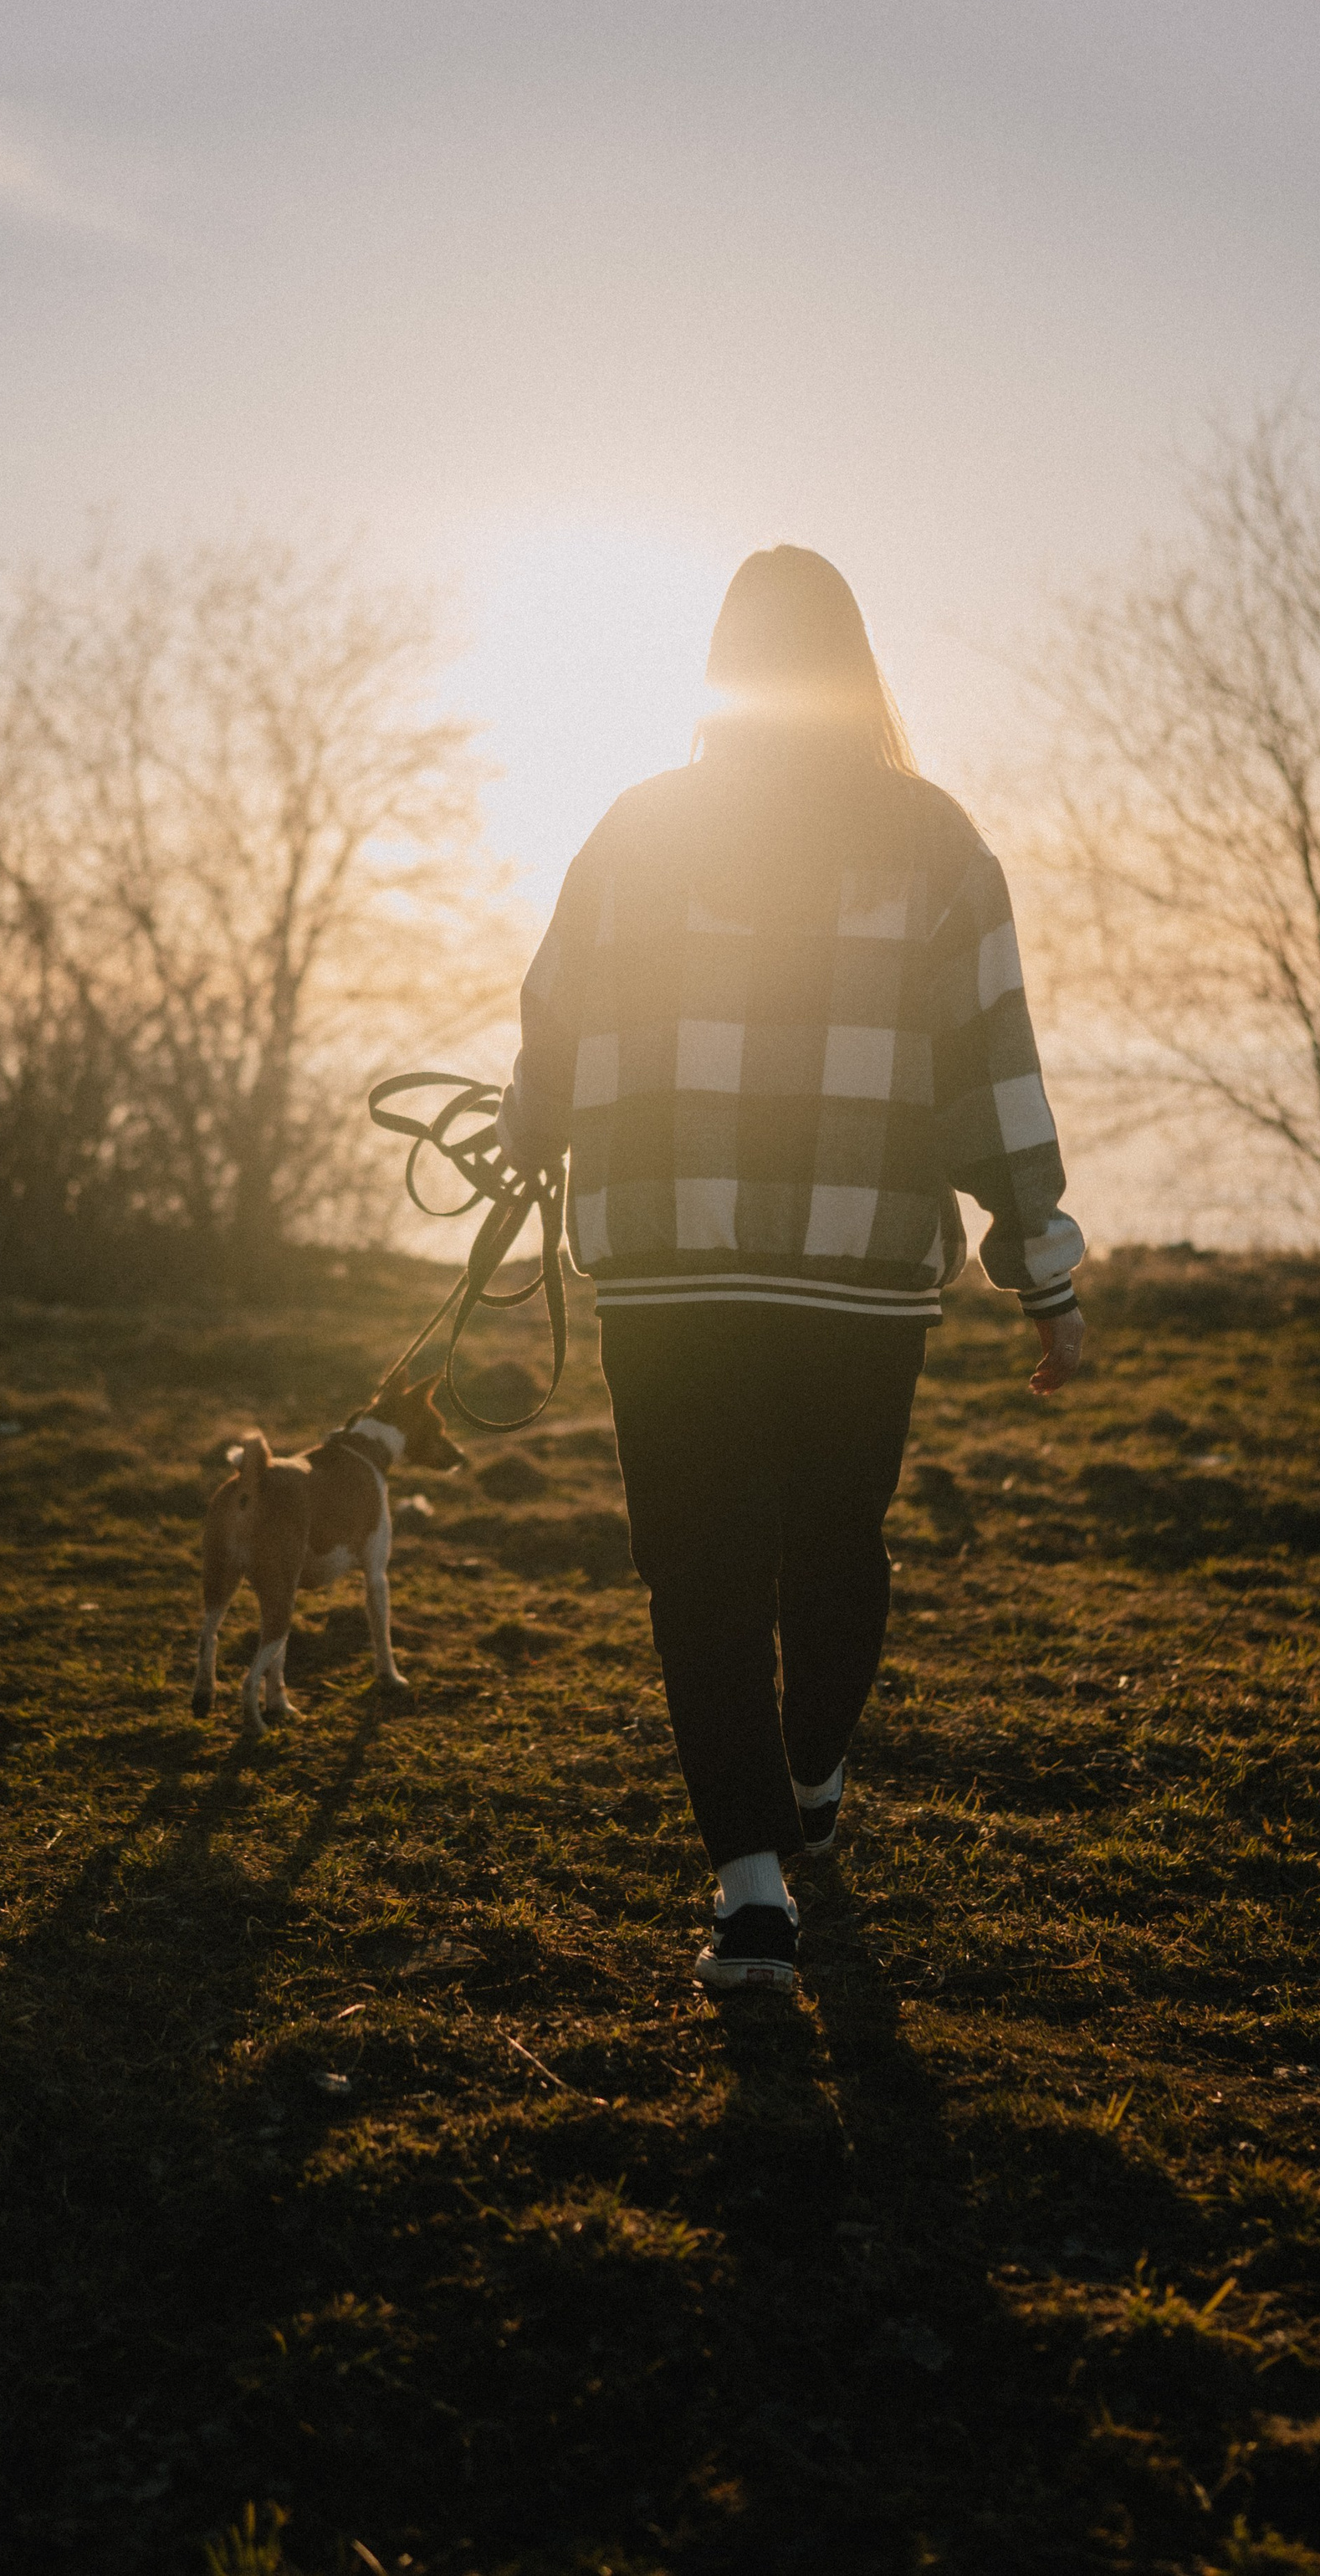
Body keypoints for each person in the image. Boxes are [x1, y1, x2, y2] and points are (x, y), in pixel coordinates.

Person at [496, 545, 1086, 1994]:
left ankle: (749, 1891)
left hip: (666, 1261)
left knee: (694, 1561)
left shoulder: (633, 830)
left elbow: (554, 1021)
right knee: (837, 1535)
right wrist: (1044, 1271)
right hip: (856, 1266)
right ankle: (809, 1779)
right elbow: (991, 1071)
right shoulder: (936, 843)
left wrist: (526, 1135)